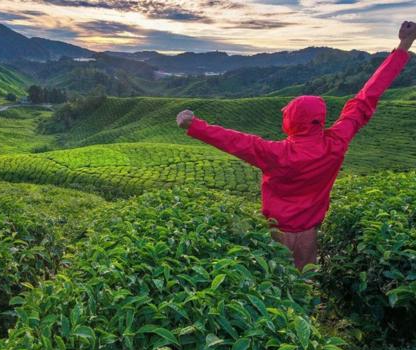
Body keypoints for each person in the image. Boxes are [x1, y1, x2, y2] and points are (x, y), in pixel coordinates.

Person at [176, 22, 416, 270]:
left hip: (275, 234)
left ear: (291, 120)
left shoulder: (276, 154)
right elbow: (367, 97)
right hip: (309, 235)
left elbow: (235, 141)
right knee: (305, 287)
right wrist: (404, 46)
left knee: (276, 290)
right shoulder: (336, 142)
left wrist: (194, 125)